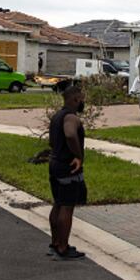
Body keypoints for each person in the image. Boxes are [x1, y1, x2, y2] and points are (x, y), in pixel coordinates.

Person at [47, 85, 87, 260]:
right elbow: (70, 134)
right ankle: (63, 247)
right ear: (75, 100)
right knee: (67, 207)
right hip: (68, 167)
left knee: (58, 203)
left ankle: (55, 242)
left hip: (54, 164)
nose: (83, 102)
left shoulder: (57, 116)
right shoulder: (71, 117)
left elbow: (52, 141)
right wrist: (78, 155)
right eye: (82, 99)